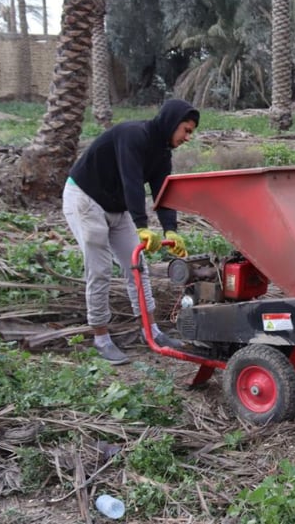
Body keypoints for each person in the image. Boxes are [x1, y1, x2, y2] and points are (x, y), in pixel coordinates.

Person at [62, 98, 199, 365]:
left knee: (137, 266)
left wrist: (171, 230)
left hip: (116, 207)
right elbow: (131, 180)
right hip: (85, 198)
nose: (187, 137)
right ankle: (101, 339)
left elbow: (163, 193)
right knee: (100, 269)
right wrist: (142, 227)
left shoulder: (163, 155)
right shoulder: (133, 135)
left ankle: (150, 331)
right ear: (172, 123)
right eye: (186, 130)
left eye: (191, 132)